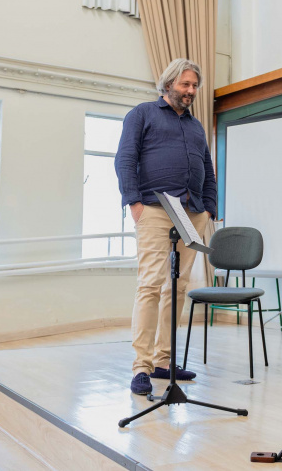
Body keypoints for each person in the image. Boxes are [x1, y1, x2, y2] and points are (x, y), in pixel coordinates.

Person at [114, 58, 217, 396]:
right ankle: (141, 367)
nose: (191, 91)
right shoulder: (142, 114)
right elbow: (125, 159)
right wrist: (134, 203)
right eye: (185, 84)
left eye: (194, 86)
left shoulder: (196, 126)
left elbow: (208, 169)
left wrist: (210, 209)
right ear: (169, 83)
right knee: (151, 285)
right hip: (155, 209)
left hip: (193, 212)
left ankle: (163, 361)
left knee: (179, 287)